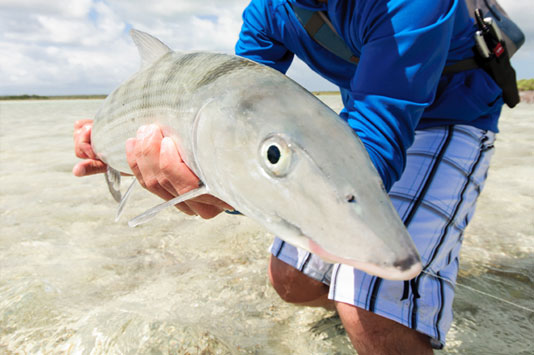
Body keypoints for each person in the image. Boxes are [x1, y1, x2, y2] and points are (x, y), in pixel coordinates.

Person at [74, 0, 504, 353]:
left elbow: (379, 145)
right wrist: (114, 148)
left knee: (370, 305)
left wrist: (229, 193)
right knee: (291, 283)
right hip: (358, 119)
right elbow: (238, 105)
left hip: (453, 115)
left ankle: (387, 318)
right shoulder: (268, 11)